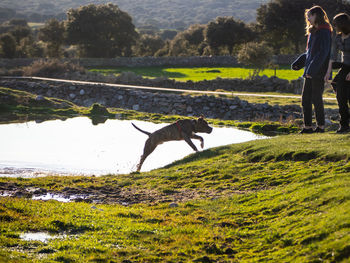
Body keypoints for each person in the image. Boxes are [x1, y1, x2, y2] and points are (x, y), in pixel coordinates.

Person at [292, 6, 332, 133]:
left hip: (318, 71)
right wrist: (299, 62)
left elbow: (323, 53)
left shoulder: (325, 31)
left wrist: (312, 70)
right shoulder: (313, 31)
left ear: (317, 15)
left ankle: (320, 127)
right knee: (305, 100)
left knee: (316, 98)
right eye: (307, 16)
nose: (308, 18)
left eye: (310, 16)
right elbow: (310, 53)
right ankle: (307, 127)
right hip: (310, 70)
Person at [325, 13, 350, 133]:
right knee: (341, 97)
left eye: (335, 25)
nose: (334, 27)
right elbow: (332, 56)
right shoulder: (337, 38)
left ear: (342, 24)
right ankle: (344, 126)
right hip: (344, 67)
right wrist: (328, 73)